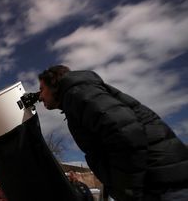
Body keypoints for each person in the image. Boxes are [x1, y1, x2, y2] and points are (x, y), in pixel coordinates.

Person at [38, 65, 188, 201]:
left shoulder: (76, 93)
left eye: (42, 89)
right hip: (158, 182)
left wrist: (127, 189)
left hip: (159, 186)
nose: (40, 96)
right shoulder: (79, 94)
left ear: (53, 84)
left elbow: (126, 132)